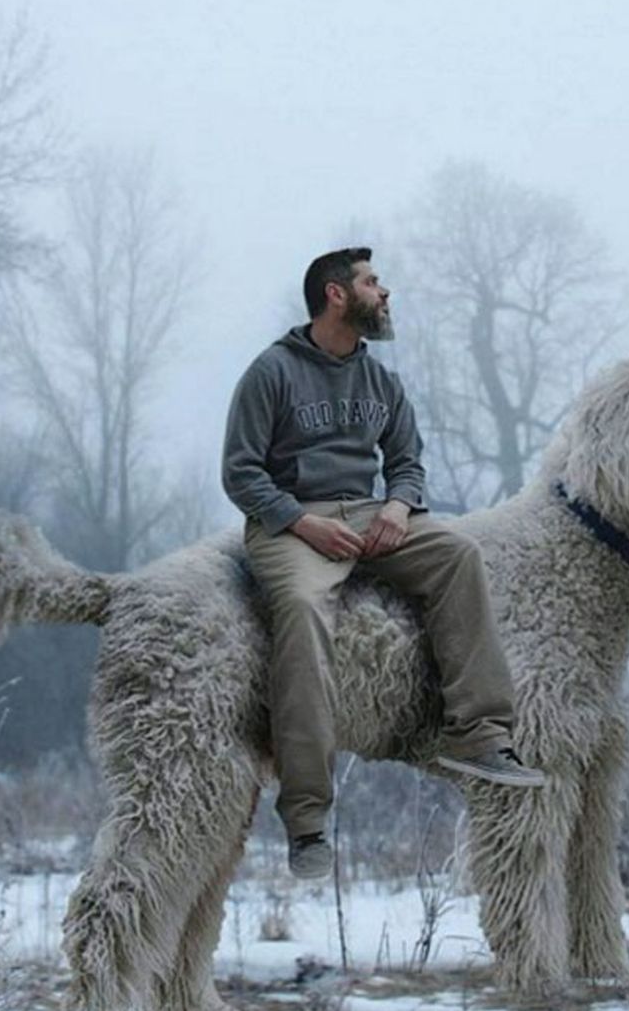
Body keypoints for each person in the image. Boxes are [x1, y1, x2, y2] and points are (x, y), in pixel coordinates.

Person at [222, 247, 543, 879]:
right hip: (292, 521)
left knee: (458, 556)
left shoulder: (380, 381)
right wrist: (301, 521)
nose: (385, 291)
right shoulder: (272, 372)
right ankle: (308, 819)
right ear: (337, 295)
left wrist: (399, 506)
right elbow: (240, 472)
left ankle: (479, 737)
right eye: (373, 282)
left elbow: (407, 459)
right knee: (304, 610)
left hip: (372, 515)